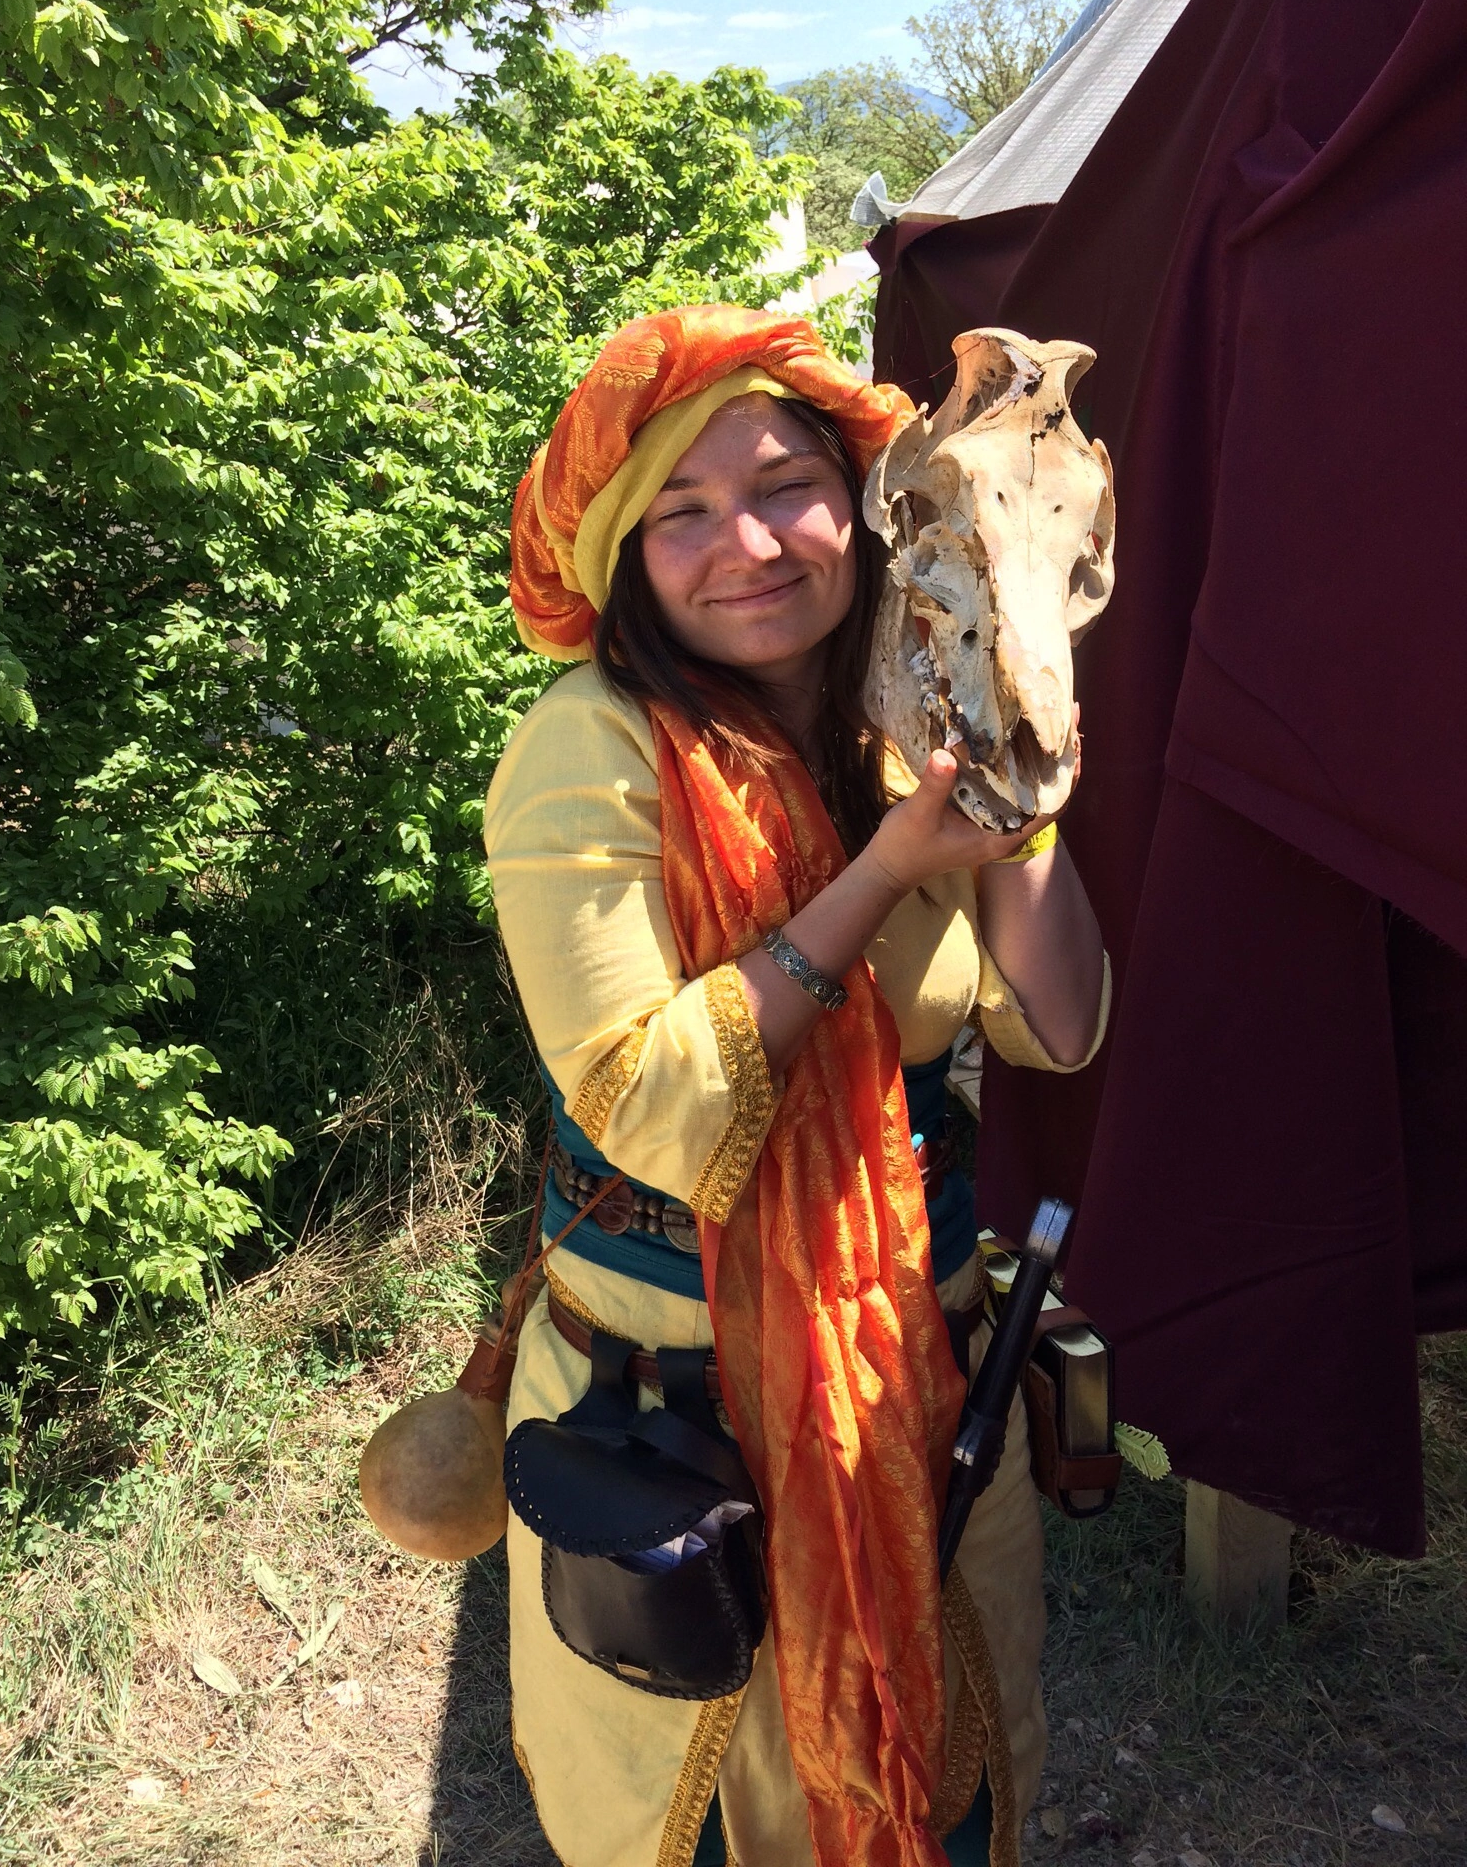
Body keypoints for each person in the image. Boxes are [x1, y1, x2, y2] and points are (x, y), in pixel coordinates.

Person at [485, 305, 1109, 1867]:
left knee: (943, 1788)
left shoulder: (915, 721)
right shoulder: (587, 752)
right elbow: (651, 1104)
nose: (749, 546)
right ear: (631, 561)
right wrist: (886, 870)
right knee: (719, 1816)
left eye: (786, 488)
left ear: (861, 507)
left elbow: (1062, 1027)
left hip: (918, 1398)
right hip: (673, 1434)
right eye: (684, 514)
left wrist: (1024, 793)